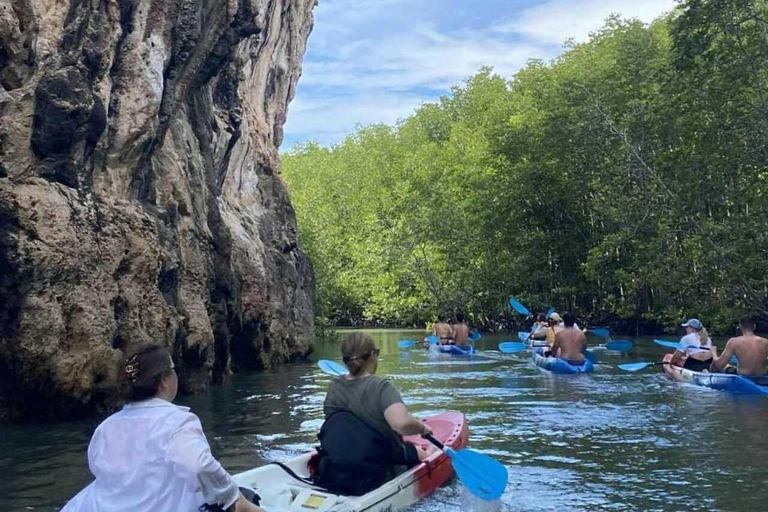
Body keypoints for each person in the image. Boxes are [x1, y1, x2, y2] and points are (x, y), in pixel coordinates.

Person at [61, 344, 264, 512]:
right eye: (174, 369)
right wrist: (233, 497)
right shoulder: (177, 421)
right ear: (163, 380)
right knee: (245, 497)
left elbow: (103, 472)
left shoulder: (105, 428)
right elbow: (198, 466)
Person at [316, 333, 432, 496]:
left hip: (337, 468)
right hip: (378, 468)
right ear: (372, 355)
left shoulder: (334, 387)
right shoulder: (381, 386)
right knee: (426, 452)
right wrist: (422, 428)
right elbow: (402, 424)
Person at [709, 317, 768, 383]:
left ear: (740, 327)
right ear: (754, 326)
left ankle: (709, 379)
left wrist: (713, 353)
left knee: (716, 365)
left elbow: (719, 364)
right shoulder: (765, 342)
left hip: (744, 377)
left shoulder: (734, 342)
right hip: (762, 377)